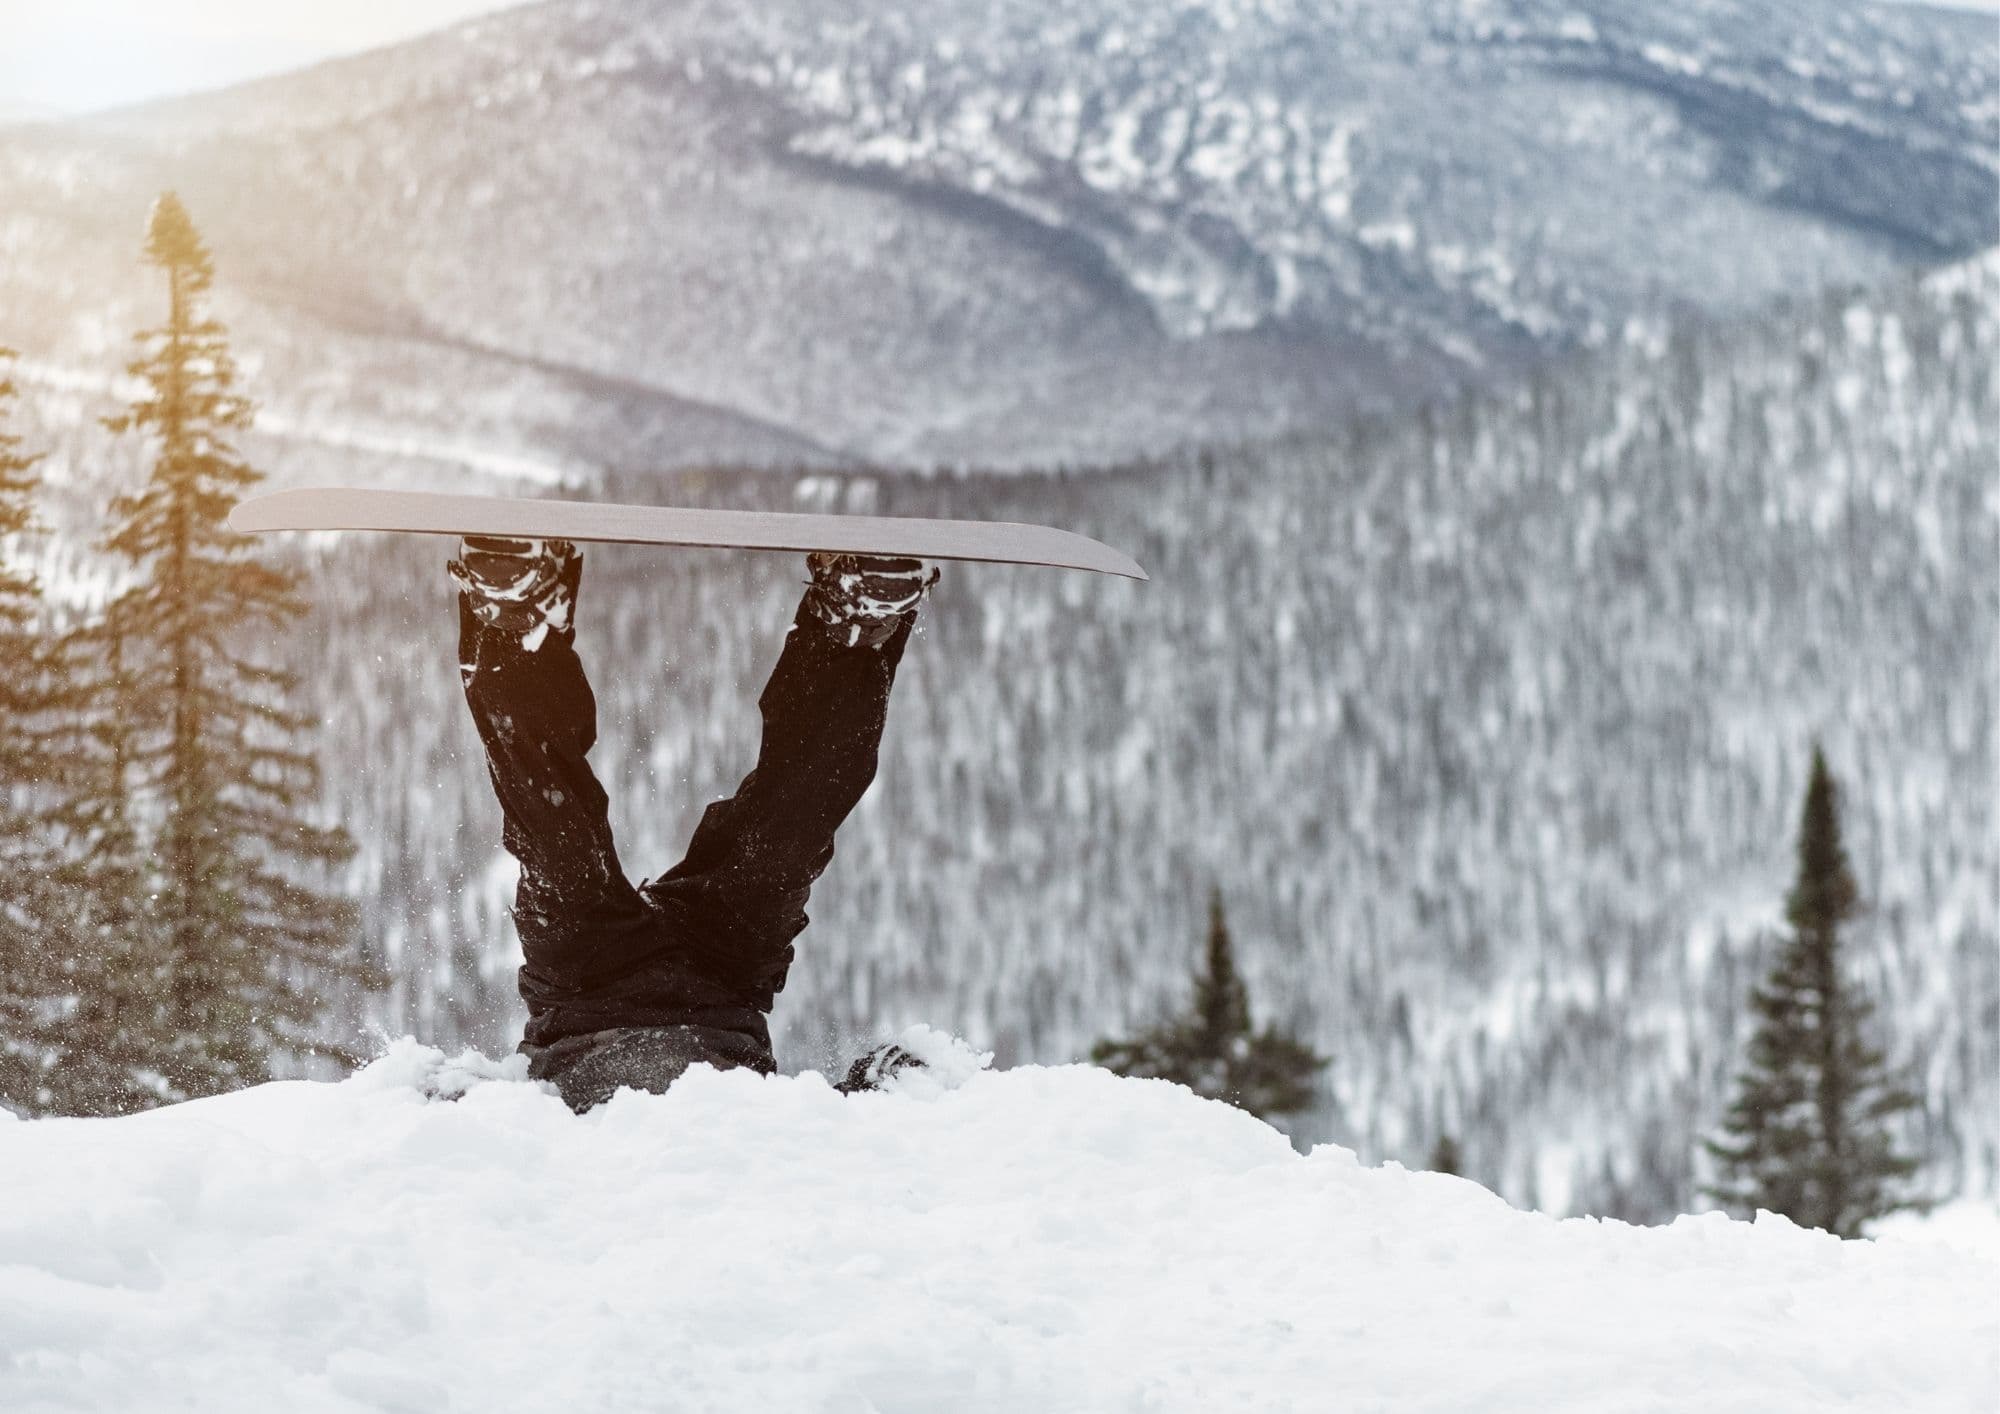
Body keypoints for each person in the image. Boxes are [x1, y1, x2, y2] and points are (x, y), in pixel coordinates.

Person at [449, 534, 938, 1111]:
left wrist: (446, 1096)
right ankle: (850, 629)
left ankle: (517, 626)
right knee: (789, 833)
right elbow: (837, 1140)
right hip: (724, 982)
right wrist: (891, 1089)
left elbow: (467, 1142)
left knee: (560, 845)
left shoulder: (560, 1178)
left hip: (582, 993)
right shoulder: (770, 1174)